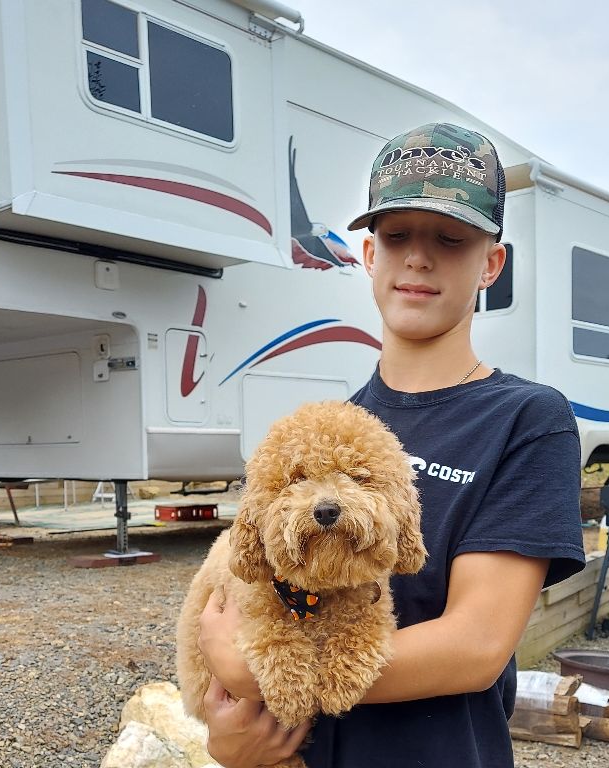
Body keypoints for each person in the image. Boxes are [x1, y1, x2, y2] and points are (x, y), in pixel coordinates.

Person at [196, 123, 587, 768]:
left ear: (492, 263)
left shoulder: (526, 421)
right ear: (369, 255)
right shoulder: (327, 432)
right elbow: (246, 590)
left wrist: (258, 670)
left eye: (451, 239)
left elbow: (476, 646)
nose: (419, 258)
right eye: (397, 235)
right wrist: (233, 741)